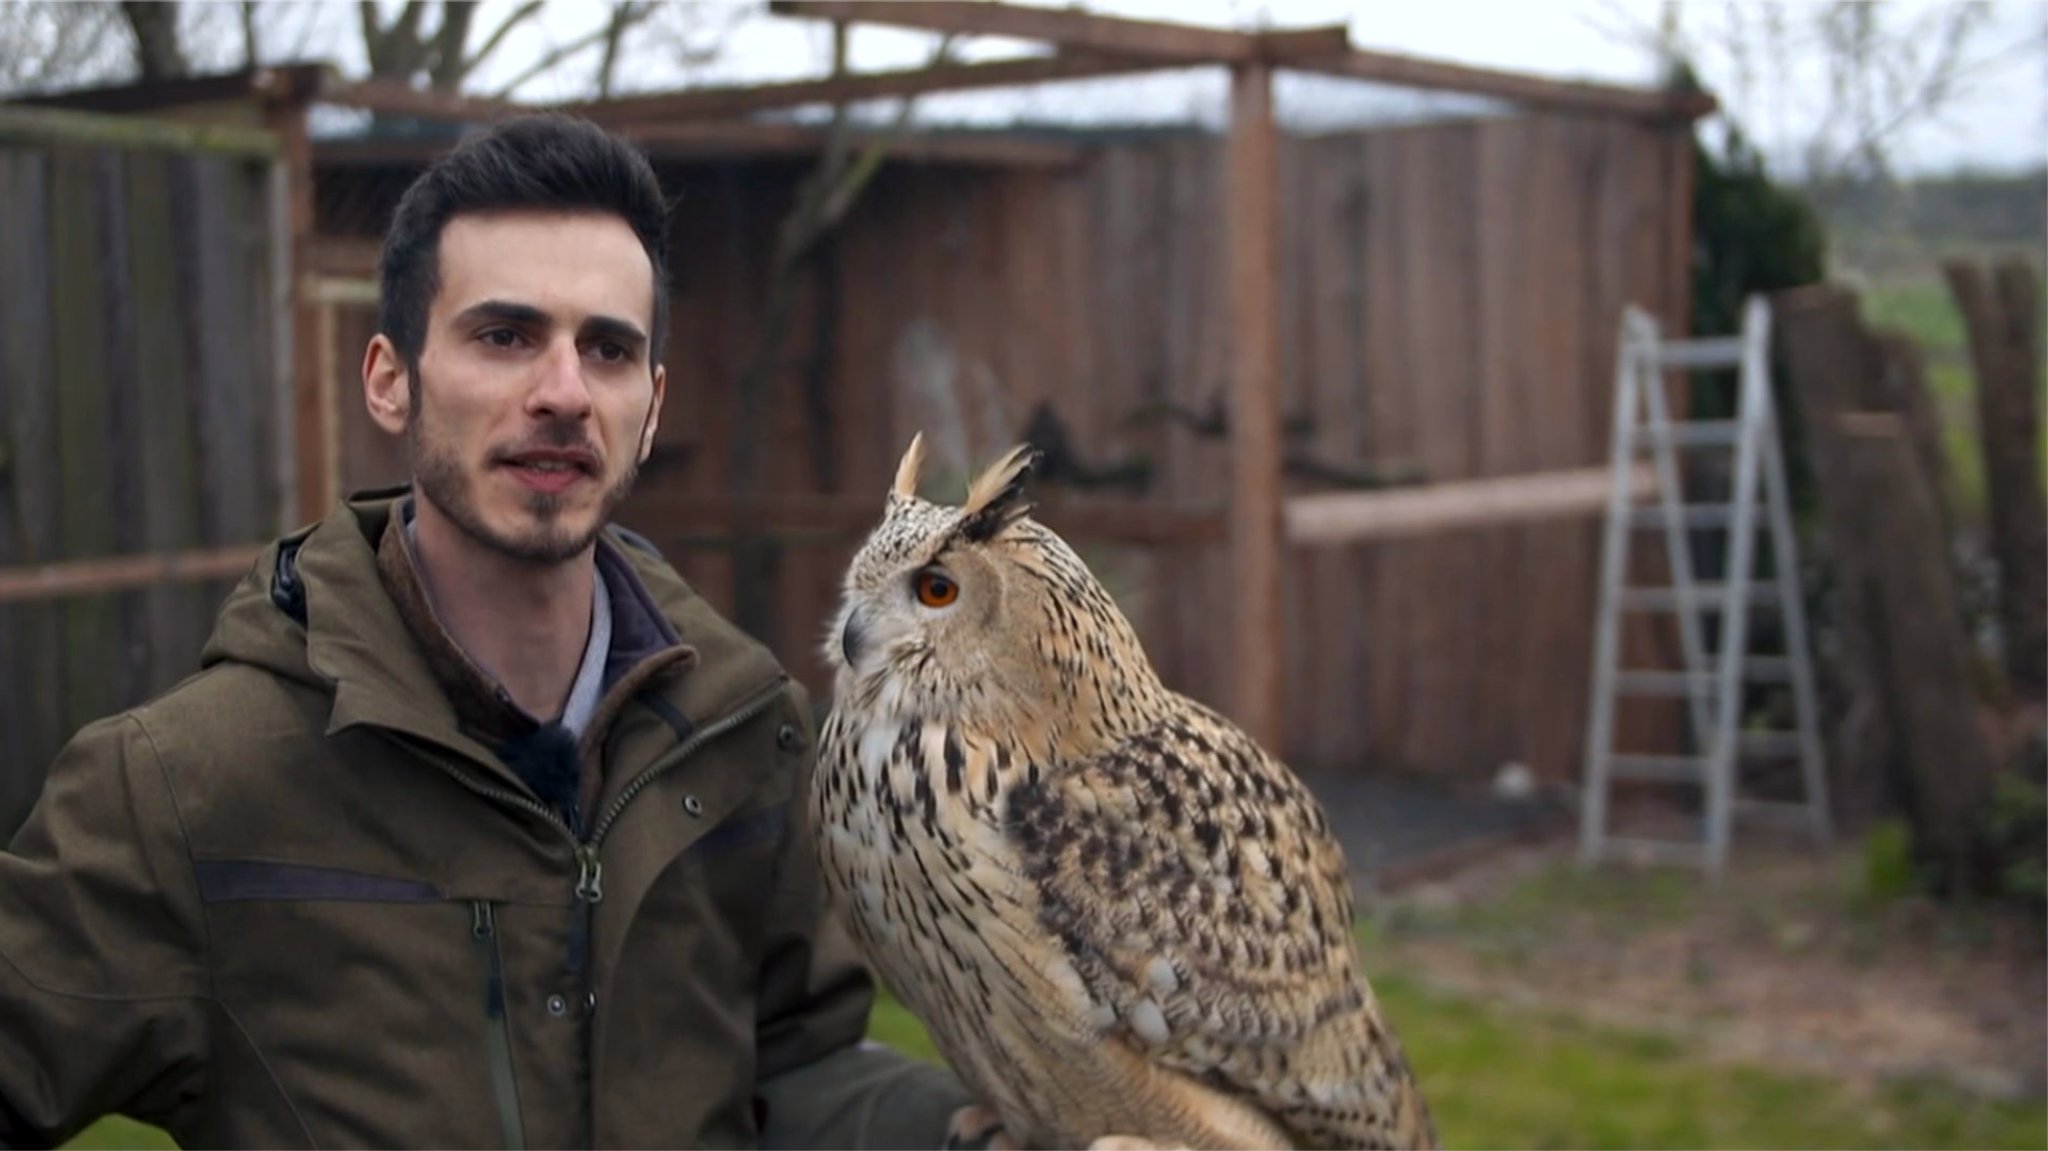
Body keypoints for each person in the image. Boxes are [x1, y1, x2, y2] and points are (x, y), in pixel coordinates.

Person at [0, 114, 980, 1149]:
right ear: (389, 378)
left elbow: (794, 1064)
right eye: (504, 335)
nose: (561, 392)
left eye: (606, 348)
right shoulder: (184, 785)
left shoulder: (745, 736)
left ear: (649, 409)